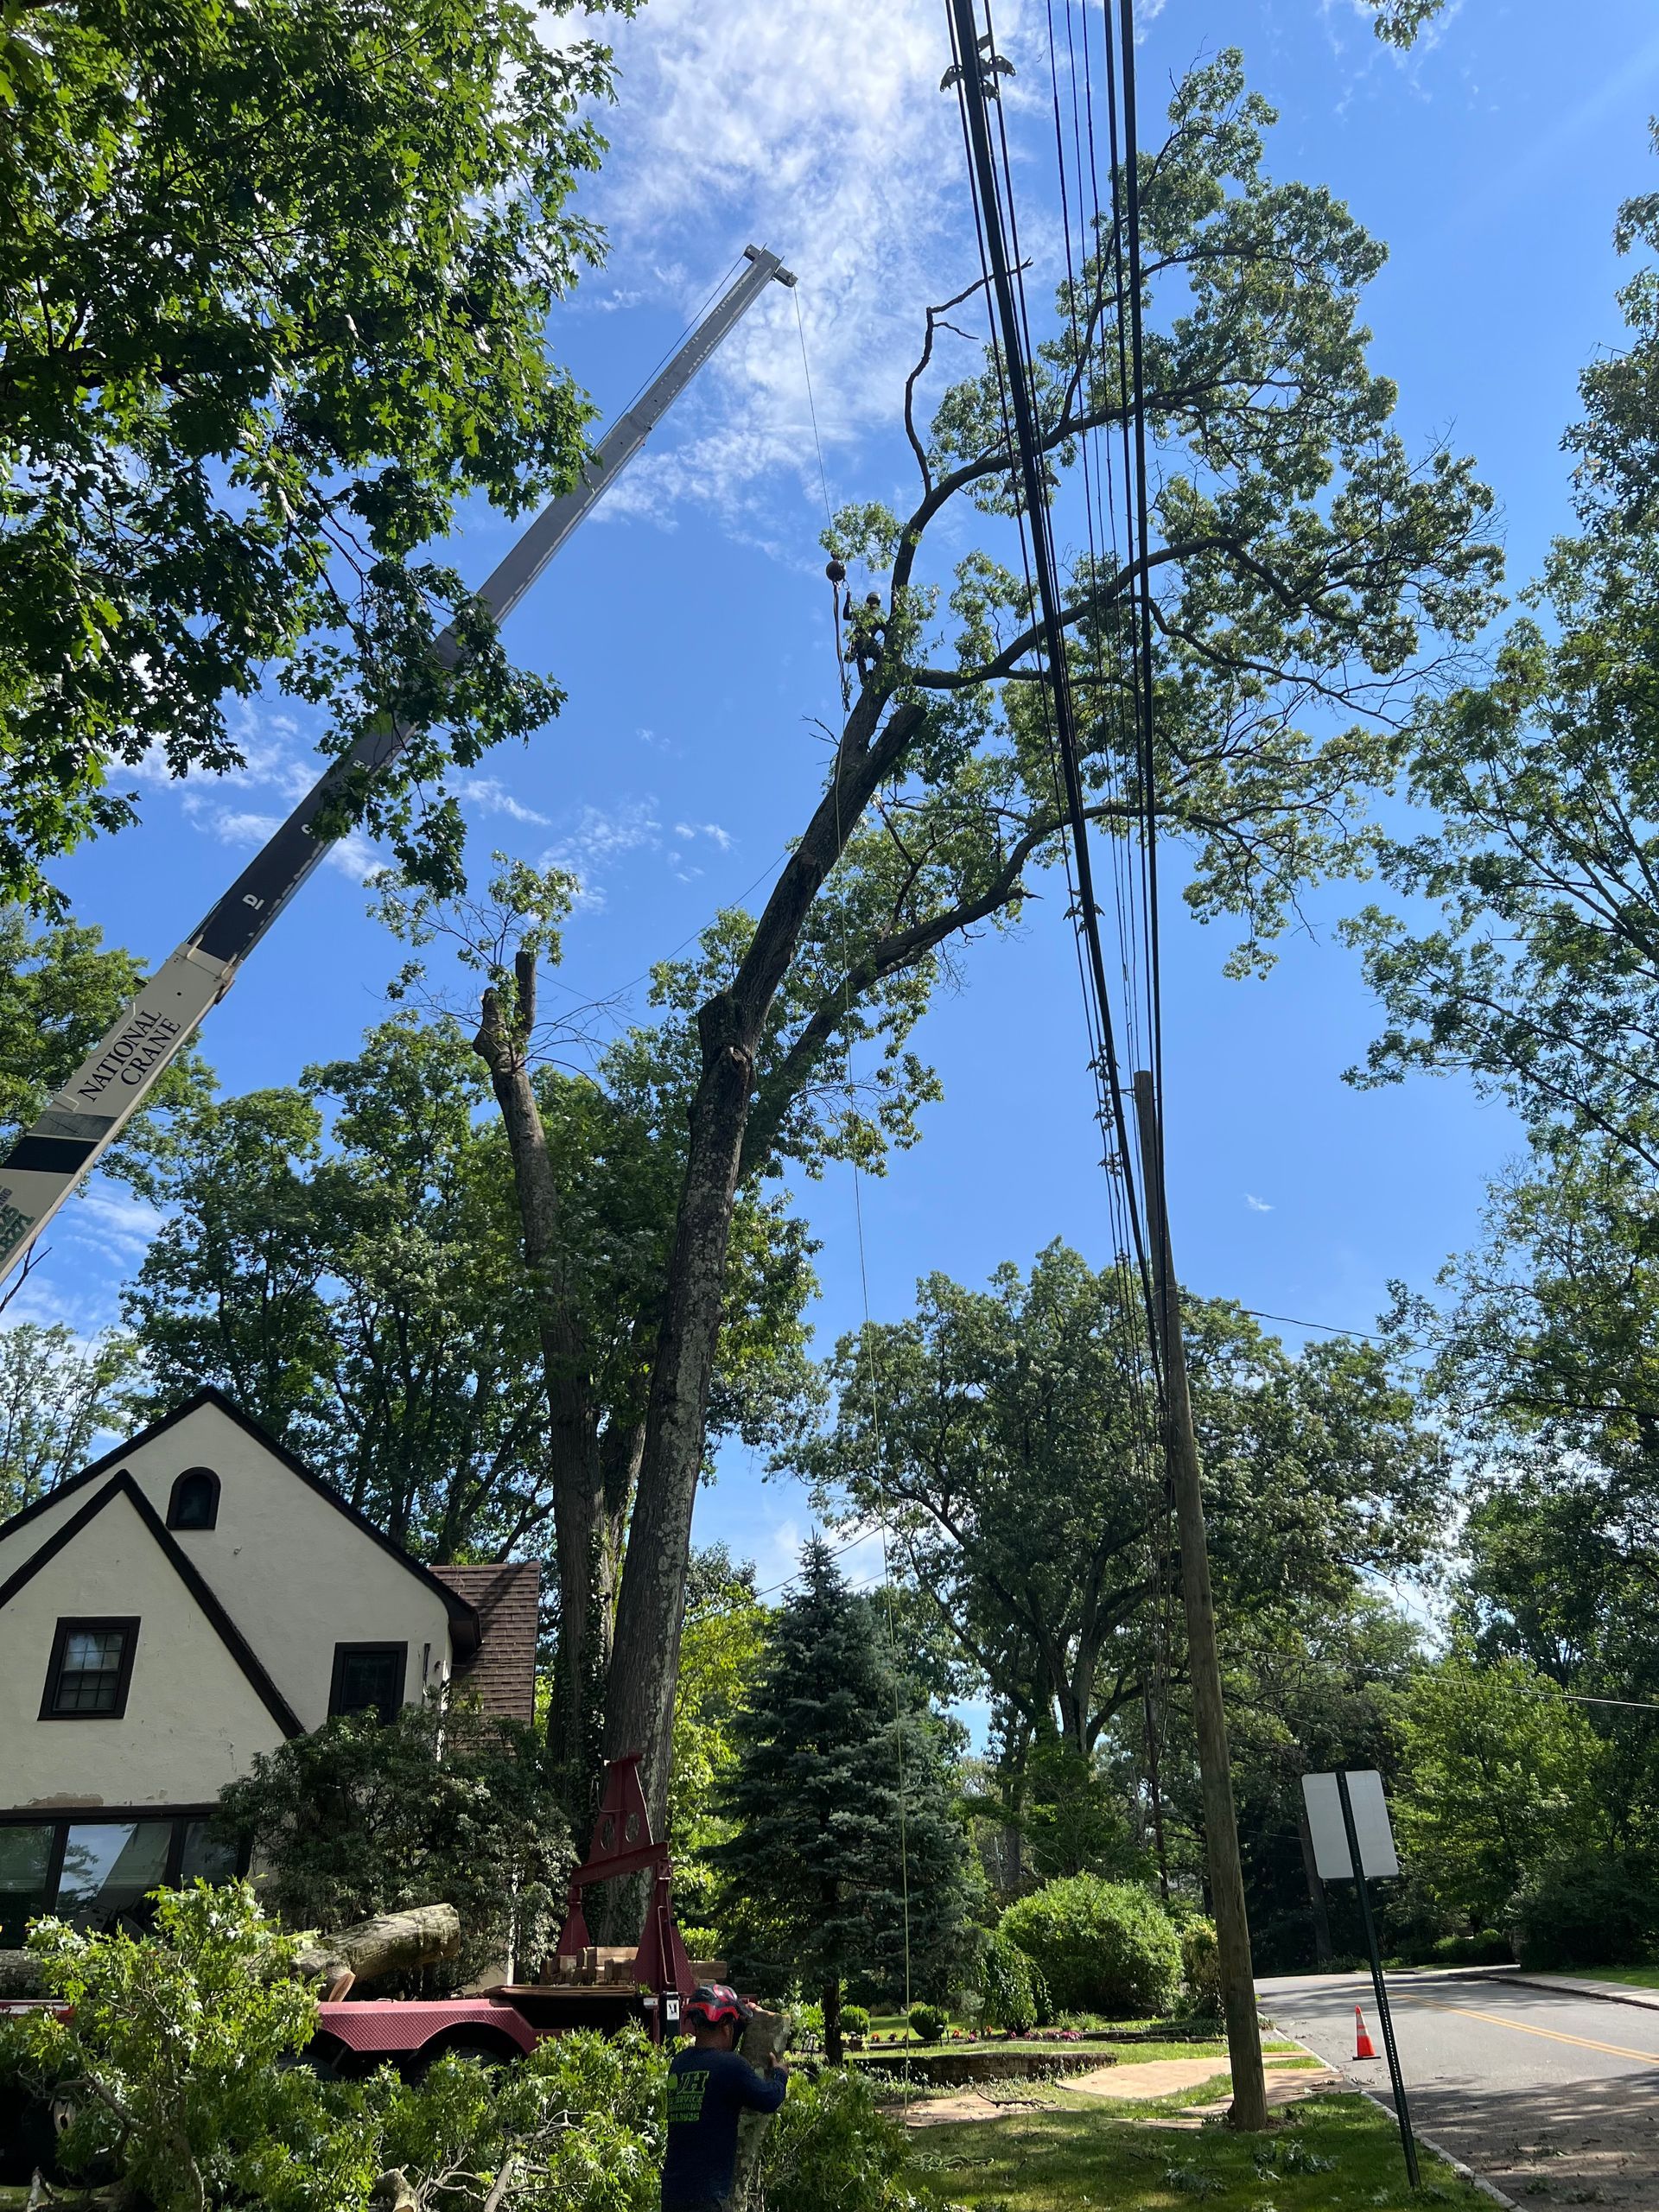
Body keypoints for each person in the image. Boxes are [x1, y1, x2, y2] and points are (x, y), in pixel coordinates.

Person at [661, 1982, 787, 2212]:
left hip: (672, 2194)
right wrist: (780, 2074)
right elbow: (770, 2098)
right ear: (726, 2026)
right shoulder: (731, 2067)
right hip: (707, 2198)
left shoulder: (680, 2063)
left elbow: (716, 2060)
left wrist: (737, 2023)